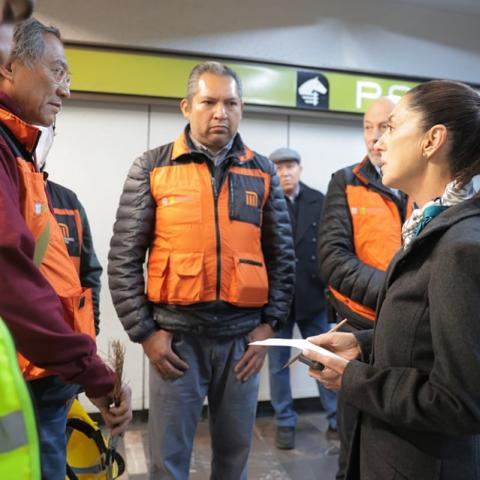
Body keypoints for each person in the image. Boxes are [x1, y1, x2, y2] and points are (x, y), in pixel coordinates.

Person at [108, 61, 295, 479]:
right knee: (168, 462)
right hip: (176, 344)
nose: (220, 112)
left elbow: (283, 259)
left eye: (230, 103)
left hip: (242, 345)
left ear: (241, 108)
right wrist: (146, 334)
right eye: (209, 101)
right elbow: (123, 258)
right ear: (186, 106)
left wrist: (268, 330)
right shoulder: (153, 167)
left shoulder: (262, 171)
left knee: (233, 460)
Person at [306, 79, 480, 480]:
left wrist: (353, 380)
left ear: (432, 140)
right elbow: (425, 341)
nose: (379, 143)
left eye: (393, 127)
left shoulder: (460, 247)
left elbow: (459, 401)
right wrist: (362, 344)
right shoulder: (429, 227)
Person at [0, 18, 132, 480]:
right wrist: (93, 373)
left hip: (46, 373)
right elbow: (12, 279)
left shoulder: (21, 156)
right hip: (21, 376)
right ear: (8, 67)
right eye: (57, 71)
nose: (67, 89)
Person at [318, 96, 411, 478]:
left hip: (410, 332)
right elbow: (334, 260)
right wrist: (402, 294)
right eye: (368, 127)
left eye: (385, 127)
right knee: (353, 446)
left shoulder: (419, 185)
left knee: (399, 442)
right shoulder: (345, 181)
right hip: (358, 329)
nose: (376, 137)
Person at [267, 147, 337, 449]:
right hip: (278, 298)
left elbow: (328, 245)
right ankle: (284, 421)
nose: (285, 172)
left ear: (300, 169)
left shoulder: (318, 200)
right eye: (280, 167)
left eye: (290, 166)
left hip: (312, 296)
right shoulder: (267, 200)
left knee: (323, 360)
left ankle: (336, 417)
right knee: (278, 365)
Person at [36, 125, 103, 335]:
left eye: (48, 129)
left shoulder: (69, 202)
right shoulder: (8, 195)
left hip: (65, 336)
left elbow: (89, 272)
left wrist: (90, 327)